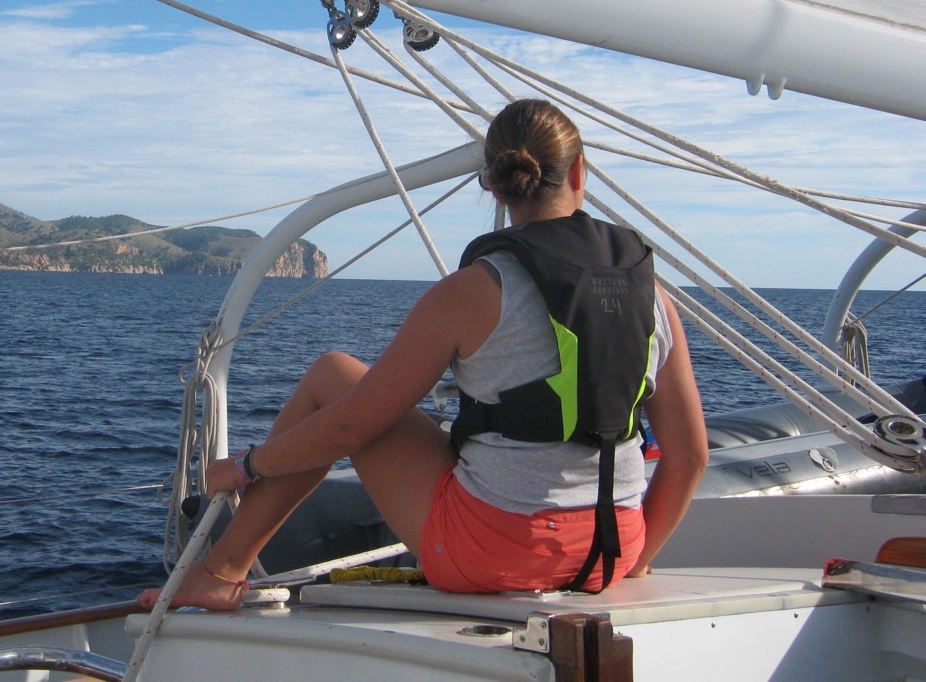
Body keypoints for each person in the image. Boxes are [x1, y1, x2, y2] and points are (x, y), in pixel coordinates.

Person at [139, 99, 707, 609]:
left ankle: (223, 570)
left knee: (334, 377)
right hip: (613, 552)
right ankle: (224, 570)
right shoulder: (653, 296)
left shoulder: (471, 292)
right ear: (579, 172)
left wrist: (246, 466)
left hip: (491, 556)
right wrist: (633, 559)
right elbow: (689, 458)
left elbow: (350, 428)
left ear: (493, 186)